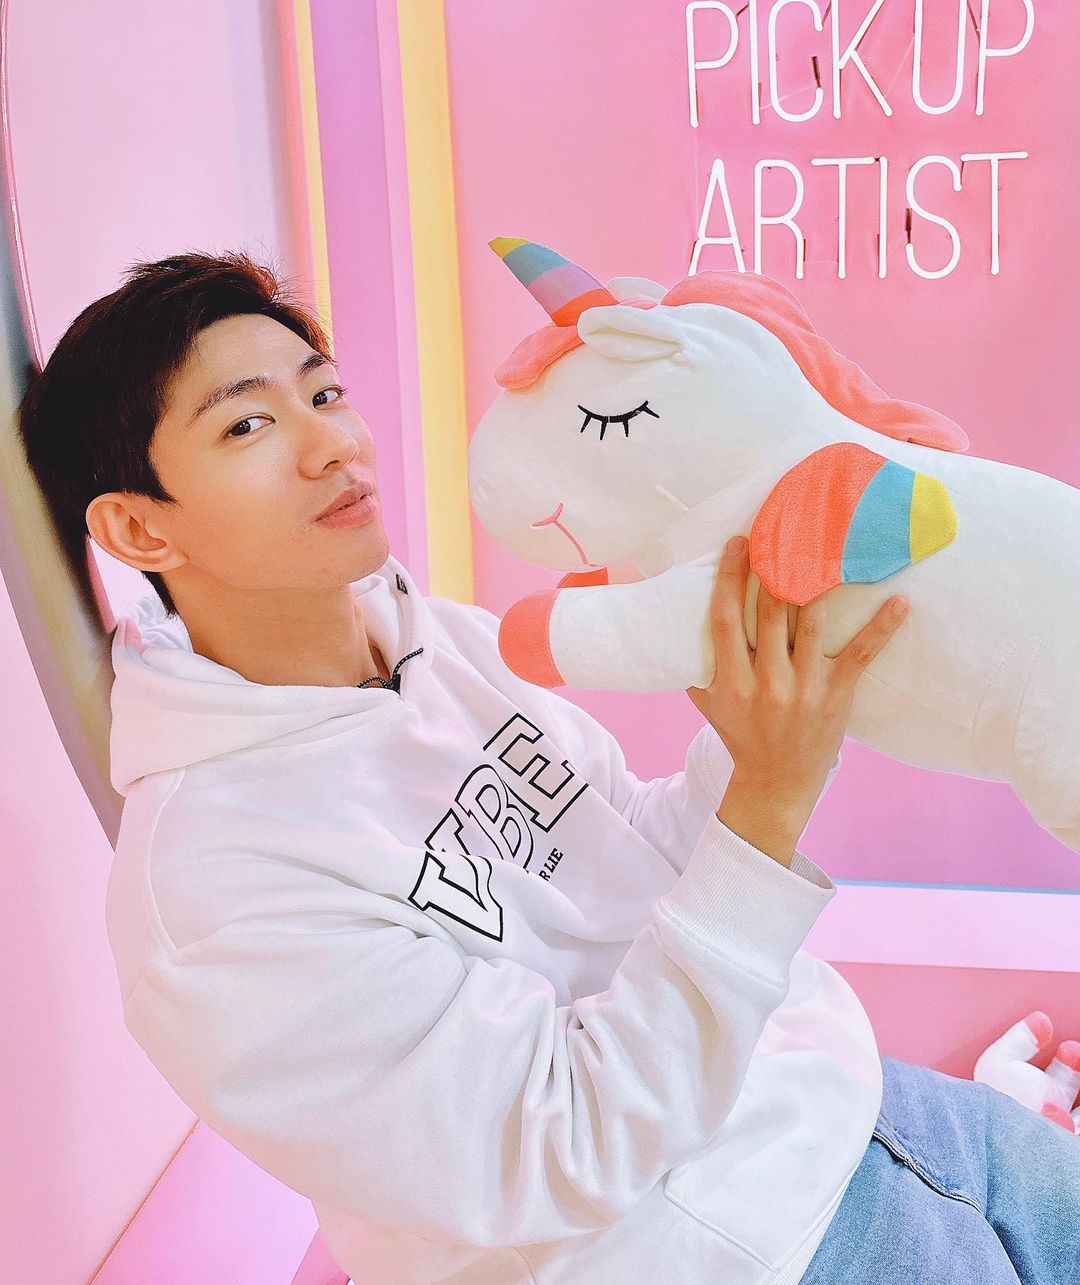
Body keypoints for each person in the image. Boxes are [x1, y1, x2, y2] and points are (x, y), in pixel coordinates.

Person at [18, 250, 1080, 1284]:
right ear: (138, 528)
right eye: (248, 424)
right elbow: (558, 1145)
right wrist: (766, 796)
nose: (331, 444)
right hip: (758, 1250)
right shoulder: (213, 893)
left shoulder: (446, 644)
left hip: (869, 1103)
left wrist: (766, 718)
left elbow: (636, 855)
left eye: (325, 392)